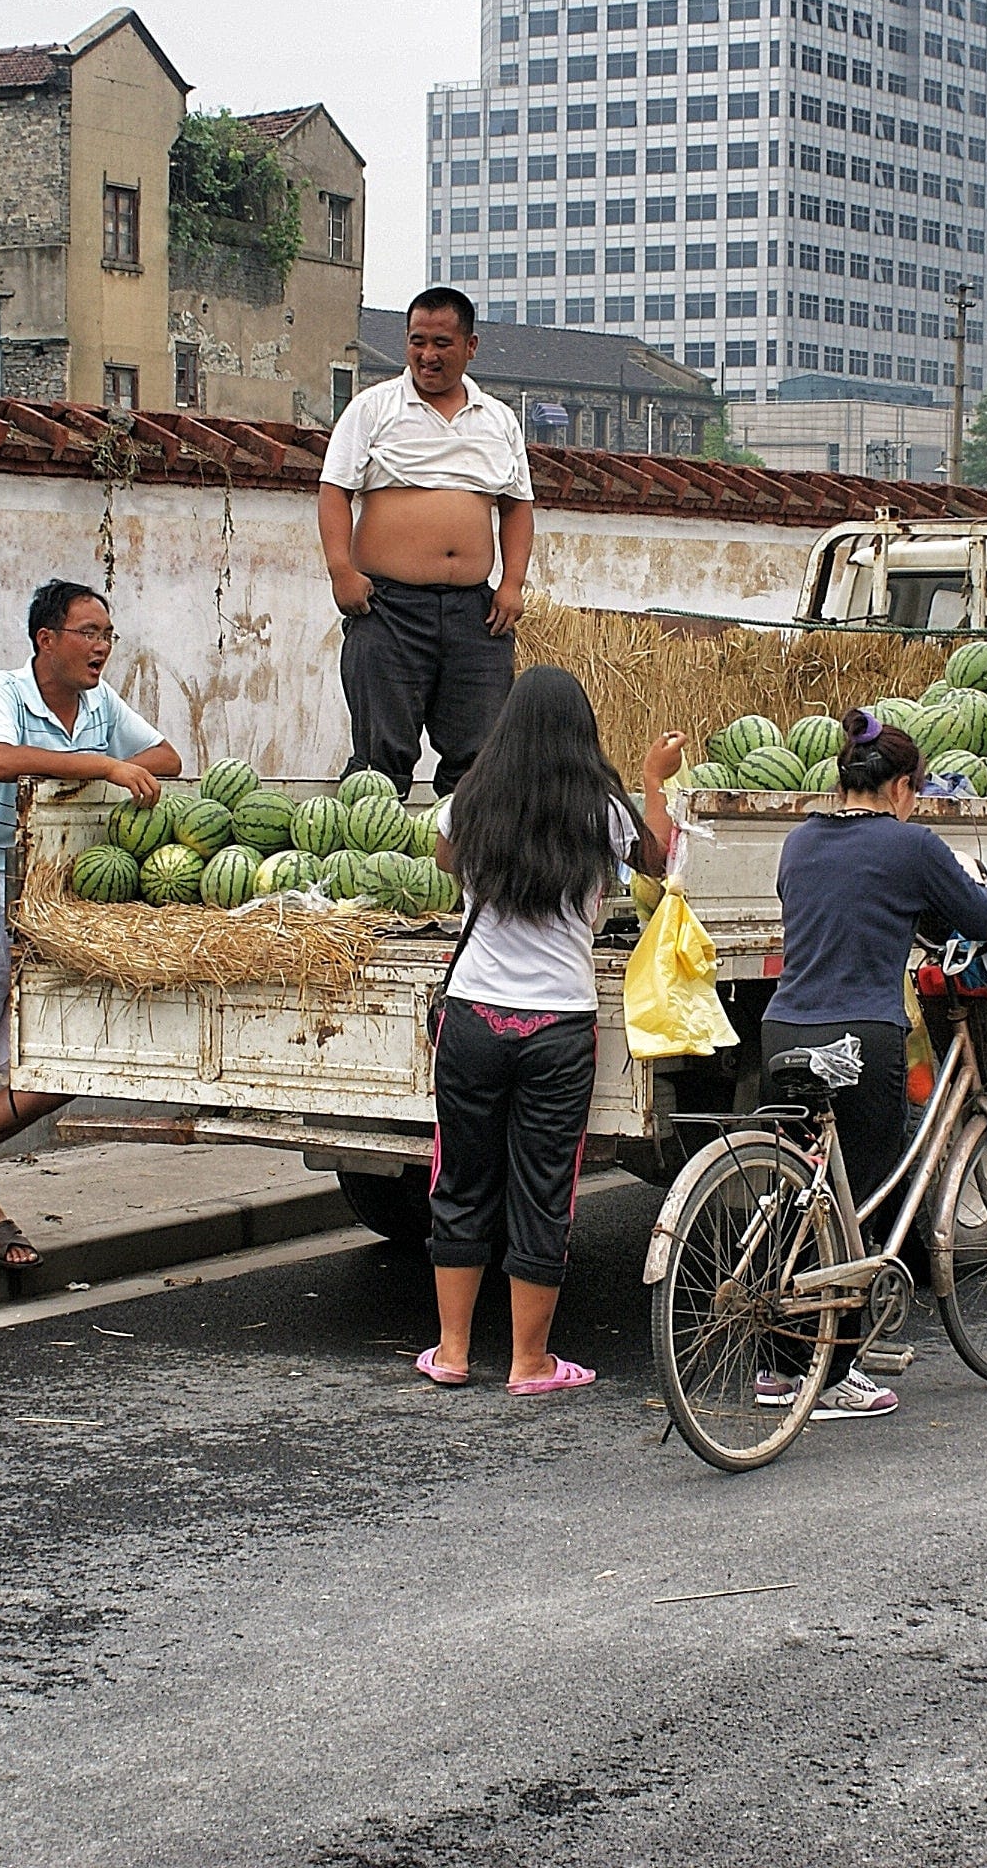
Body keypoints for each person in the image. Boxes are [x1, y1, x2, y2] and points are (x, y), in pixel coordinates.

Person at [0, 580, 181, 1267]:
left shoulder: (101, 704)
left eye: (108, 634)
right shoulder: (2, 691)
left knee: (65, 1060)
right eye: (89, 633)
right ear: (46, 639)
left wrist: (106, 769)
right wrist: (98, 767)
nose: (102, 647)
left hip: (59, 901)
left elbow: (166, 757)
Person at [419, 666, 679, 1395]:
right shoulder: (602, 808)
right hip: (558, 1029)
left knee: (461, 1180)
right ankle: (530, 1363)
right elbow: (658, 863)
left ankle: (452, 1353)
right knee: (542, 1190)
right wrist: (656, 780)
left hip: (473, 1017)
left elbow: (443, 859)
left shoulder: (471, 801)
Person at [759, 707, 987, 1421]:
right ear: (901, 787)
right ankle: (834, 1374)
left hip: (783, 1030)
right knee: (856, 1205)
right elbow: (982, 920)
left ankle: (777, 1367)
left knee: (802, 1194)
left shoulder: (799, 842)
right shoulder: (912, 846)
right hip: (860, 1038)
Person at [318, 287, 533, 797]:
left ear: (470, 345)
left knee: (480, 759)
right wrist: (340, 571)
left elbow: (517, 506)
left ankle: (469, 870)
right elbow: (333, 491)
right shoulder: (374, 408)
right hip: (388, 608)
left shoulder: (498, 419)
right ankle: (369, 866)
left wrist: (512, 584)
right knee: (379, 759)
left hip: (475, 614)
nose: (427, 355)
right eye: (417, 342)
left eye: (442, 342)